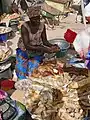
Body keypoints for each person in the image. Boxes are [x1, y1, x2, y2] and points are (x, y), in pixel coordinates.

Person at [16, 6, 60, 79]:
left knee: (34, 71)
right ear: (30, 19)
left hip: (37, 49)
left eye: (38, 18)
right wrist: (44, 49)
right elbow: (27, 45)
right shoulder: (25, 27)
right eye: (34, 19)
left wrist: (52, 46)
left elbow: (45, 41)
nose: (37, 21)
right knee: (22, 71)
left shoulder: (42, 25)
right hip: (24, 50)